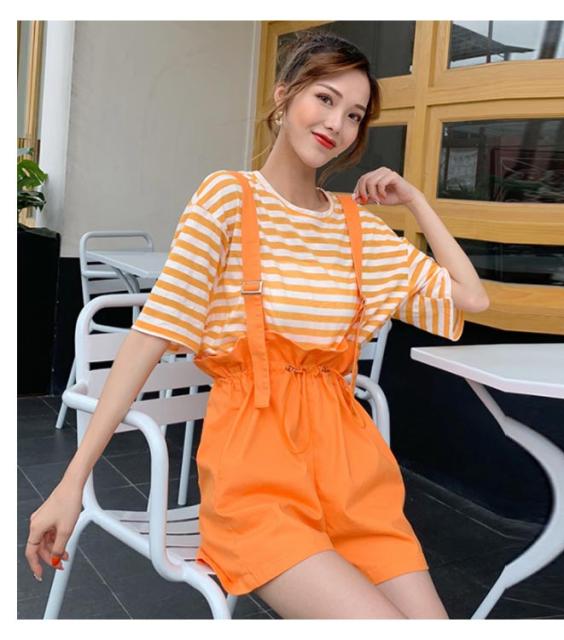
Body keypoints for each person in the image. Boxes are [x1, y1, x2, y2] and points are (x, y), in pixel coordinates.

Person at [25, 30, 489, 619]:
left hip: (352, 474)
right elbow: (150, 335)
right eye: (324, 98)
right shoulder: (227, 199)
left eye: (354, 114)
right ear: (283, 94)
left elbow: (470, 298)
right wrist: (72, 482)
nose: (337, 123)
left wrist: (416, 201)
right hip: (257, 476)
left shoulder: (359, 229)